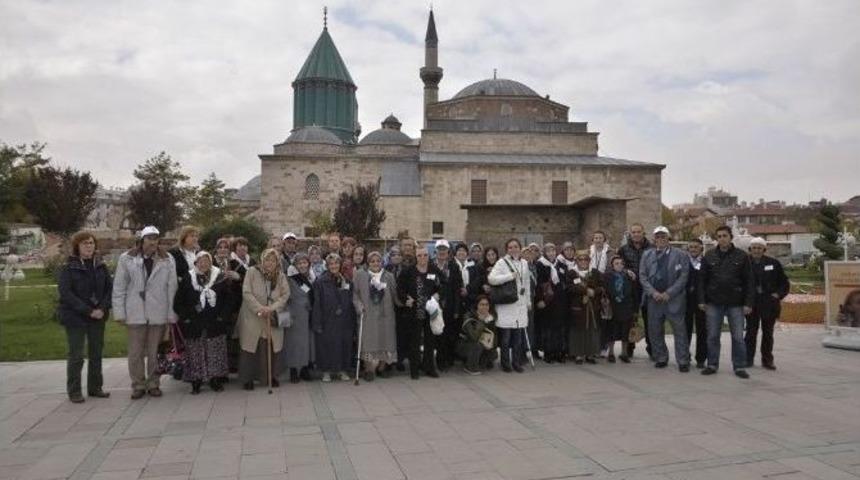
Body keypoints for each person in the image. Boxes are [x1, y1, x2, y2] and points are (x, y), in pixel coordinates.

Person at [113, 226, 178, 399]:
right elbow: (119, 287)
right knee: (135, 353)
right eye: (149, 239)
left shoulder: (167, 259)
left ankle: (153, 382)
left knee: (154, 352)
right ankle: (138, 384)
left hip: (158, 311)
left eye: (155, 239)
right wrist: (119, 312)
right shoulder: (127, 259)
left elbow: (172, 287)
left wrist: (171, 314)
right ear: (142, 241)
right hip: (136, 312)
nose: (152, 242)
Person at [58, 231, 113, 403]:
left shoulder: (101, 266)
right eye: (84, 243)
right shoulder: (68, 267)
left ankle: (95, 387)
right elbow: (66, 293)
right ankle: (74, 391)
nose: (89, 246)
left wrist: (102, 308)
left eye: (91, 243)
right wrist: (88, 310)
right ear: (77, 246)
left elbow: (109, 290)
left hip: (98, 316)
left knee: (96, 353)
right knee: (76, 355)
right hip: (76, 317)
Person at [698, 225, 755, 379]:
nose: (722, 239)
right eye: (719, 236)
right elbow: (702, 280)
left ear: (731, 237)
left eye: (724, 236)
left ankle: (739, 366)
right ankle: (712, 364)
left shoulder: (742, 256)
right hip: (714, 303)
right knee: (712, 336)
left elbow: (749, 281)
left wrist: (748, 303)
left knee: (737, 337)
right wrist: (702, 300)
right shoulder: (709, 255)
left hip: (735, 303)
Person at [173, 251, 232, 394]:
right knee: (195, 352)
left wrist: (222, 317)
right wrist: (186, 317)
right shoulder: (189, 278)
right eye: (201, 261)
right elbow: (178, 302)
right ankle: (196, 381)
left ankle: (215, 379)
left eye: (207, 260)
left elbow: (228, 299)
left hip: (214, 322)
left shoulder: (219, 277)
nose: (204, 263)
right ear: (196, 263)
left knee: (215, 351)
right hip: (194, 323)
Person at [639, 226, 691, 371]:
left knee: (679, 331)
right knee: (655, 330)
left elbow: (684, 276)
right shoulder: (647, 254)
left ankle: (683, 360)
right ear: (654, 239)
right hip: (654, 299)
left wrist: (669, 293)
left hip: (673, 299)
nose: (660, 239)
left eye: (663, 237)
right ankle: (661, 357)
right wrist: (652, 292)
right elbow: (642, 276)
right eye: (658, 237)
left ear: (668, 238)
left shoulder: (680, 254)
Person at [238, 248, 290, 390]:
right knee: (251, 347)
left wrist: (271, 308)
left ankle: (271, 376)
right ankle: (248, 378)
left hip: (272, 315)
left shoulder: (280, 276)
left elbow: (285, 295)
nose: (269, 263)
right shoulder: (252, 272)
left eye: (273, 260)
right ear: (262, 260)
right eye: (267, 260)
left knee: (272, 347)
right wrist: (260, 308)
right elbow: (246, 292)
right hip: (253, 316)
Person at [396, 246, 442, 379]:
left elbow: (444, 283)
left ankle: (429, 367)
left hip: (430, 310)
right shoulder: (408, 271)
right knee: (414, 341)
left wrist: (439, 294)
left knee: (430, 340)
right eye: (420, 256)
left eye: (425, 255)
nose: (423, 258)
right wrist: (405, 299)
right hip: (414, 311)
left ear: (429, 256)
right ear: (416, 257)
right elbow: (400, 288)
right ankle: (414, 370)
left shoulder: (434, 270)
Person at [744, 237, 790, 370]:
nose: (756, 250)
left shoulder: (773, 263)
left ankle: (767, 360)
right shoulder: (745, 263)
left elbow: (784, 283)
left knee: (768, 333)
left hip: (769, 304)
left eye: (759, 248)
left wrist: (778, 295)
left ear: (764, 249)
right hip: (751, 304)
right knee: (751, 333)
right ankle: (748, 359)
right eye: (754, 248)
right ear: (750, 249)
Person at [488, 238, 532, 373]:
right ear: (507, 249)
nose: (513, 249)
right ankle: (505, 362)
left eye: (516, 247)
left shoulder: (524, 263)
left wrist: (528, 301)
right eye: (510, 247)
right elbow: (491, 279)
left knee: (518, 337)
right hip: (506, 304)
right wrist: (509, 276)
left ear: (520, 248)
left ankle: (516, 362)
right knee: (506, 338)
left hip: (520, 304)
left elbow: (526, 283)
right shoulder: (501, 262)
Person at [353, 251, 398, 381]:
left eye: (378, 261)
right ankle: (369, 369)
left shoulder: (388, 276)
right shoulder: (361, 275)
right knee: (369, 342)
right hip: (368, 314)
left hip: (386, 314)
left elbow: (395, 294)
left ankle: (382, 368)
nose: (375, 263)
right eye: (372, 261)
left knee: (386, 340)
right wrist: (358, 305)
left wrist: (403, 301)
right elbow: (355, 294)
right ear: (368, 263)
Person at [312, 253, 356, 382]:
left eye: (336, 263)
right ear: (327, 265)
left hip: (344, 319)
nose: (334, 266)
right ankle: (326, 371)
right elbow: (317, 303)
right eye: (331, 264)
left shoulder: (346, 281)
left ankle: (342, 370)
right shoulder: (320, 282)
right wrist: (317, 323)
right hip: (327, 319)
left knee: (344, 345)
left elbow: (351, 301)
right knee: (326, 346)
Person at [618, 224, 652, 358]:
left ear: (643, 233)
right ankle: (630, 347)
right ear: (630, 234)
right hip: (631, 290)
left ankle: (652, 348)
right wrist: (626, 271)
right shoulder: (624, 249)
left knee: (650, 320)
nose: (636, 234)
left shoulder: (651, 248)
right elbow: (618, 265)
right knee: (631, 319)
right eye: (634, 232)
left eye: (639, 232)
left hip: (647, 289)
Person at [565, 250, 604, 364]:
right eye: (580, 259)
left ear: (589, 260)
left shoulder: (595, 272)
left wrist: (594, 292)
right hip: (577, 307)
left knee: (592, 331)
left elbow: (602, 287)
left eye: (585, 259)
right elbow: (569, 287)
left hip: (593, 307)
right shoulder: (572, 273)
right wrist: (585, 290)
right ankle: (578, 355)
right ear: (576, 261)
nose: (583, 261)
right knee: (578, 331)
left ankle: (590, 354)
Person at [282, 253, 314, 383]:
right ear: (295, 265)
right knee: (292, 343)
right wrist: (284, 318)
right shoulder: (290, 279)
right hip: (293, 315)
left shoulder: (311, 278)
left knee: (306, 343)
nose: (302, 265)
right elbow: (284, 298)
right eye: (299, 263)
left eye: (304, 262)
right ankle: (293, 370)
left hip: (307, 316)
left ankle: (304, 368)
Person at [433, 239, 464, 371]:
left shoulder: (453, 266)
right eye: (439, 249)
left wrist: (457, 308)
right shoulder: (430, 265)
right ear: (436, 251)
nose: (442, 252)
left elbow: (457, 288)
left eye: (444, 249)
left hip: (450, 305)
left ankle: (447, 359)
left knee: (449, 334)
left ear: (448, 251)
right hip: (435, 305)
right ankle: (439, 360)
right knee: (436, 334)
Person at [227, 237, 256, 374]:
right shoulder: (230, 262)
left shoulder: (253, 262)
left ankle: (246, 363)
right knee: (234, 334)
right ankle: (233, 364)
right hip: (235, 304)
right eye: (239, 246)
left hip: (250, 303)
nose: (243, 248)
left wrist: (240, 278)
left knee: (248, 334)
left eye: (245, 246)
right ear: (235, 248)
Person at [536, 242, 565, 363]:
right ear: (544, 253)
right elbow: (537, 284)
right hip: (547, 301)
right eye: (548, 251)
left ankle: (558, 352)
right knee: (548, 329)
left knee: (558, 329)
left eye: (553, 250)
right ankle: (548, 353)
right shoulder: (540, 265)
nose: (551, 253)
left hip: (559, 301)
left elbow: (563, 281)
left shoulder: (560, 264)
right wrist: (539, 300)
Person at [604, 256, 635, 363]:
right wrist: (615, 296)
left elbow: (632, 290)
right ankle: (611, 353)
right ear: (612, 265)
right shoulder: (608, 276)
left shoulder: (628, 276)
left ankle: (624, 353)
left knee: (625, 331)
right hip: (613, 306)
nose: (619, 265)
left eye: (621, 263)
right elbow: (607, 289)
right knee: (612, 330)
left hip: (626, 306)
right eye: (616, 263)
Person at [457, 295, 498, 375]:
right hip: (465, 344)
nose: (484, 307)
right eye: (482, 304)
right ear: (477, 305)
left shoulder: (490, 317)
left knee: (493, 352)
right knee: (477, 345)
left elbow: (493, 336)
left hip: (481, 343)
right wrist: (481, 322)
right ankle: (470, 367)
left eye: (486, 305)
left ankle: (480, 361)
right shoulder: (468, 316)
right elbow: (473, 336)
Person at [685, 239, 708, 368]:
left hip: (702, 301)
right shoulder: (683, 262)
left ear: (701, 248)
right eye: (691, 247)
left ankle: (701, 358)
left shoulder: (706, 262)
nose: (693, 249)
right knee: (685, 329)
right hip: (686, 300)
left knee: (702, 330)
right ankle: (685, 356)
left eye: (696, 247)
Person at [168, 226, 200, 291]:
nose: (195, 238)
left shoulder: (199, 253)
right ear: (184, 238)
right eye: (192, 236)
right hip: (180, 290)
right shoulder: (174, 253)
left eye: (196, 236)